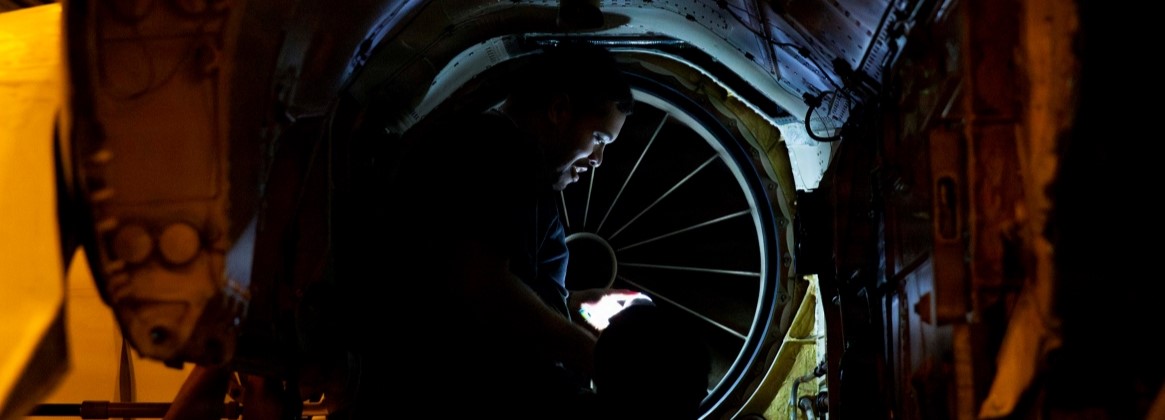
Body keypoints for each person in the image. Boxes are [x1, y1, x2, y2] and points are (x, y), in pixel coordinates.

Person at [335, 43, 637, 418]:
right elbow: (481, 284)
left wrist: (570, 303)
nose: (598, 160)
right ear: (559, 110)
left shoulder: (507, 157)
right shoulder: (497, 152)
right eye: (598, 139)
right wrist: (593, 356)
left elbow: (488, 271)